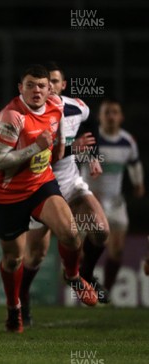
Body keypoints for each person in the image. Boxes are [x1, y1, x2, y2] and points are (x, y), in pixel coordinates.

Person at [0, 64, 98, 333]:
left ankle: (72, 276)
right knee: (14, 259)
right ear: (20, 88)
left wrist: (61, 144)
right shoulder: (12, 116)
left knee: (72, 234)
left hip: (42, 185)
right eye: (29, 85)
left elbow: (58, 129)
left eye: (41, 85)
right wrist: (35, 148)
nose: (36, 90)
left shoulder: (55, 106)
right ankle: (13, 307)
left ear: (50, 88)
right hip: (9, 194)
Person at [19, 63, 110, 326]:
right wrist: (74, 149)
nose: (49, 88)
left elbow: (91, 122)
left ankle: (84, 274)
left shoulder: (75, 108)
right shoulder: (26, 116)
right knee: (35, 255)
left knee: (101, 230)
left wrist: (92, 155)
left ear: (61, 85)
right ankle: (22, 298)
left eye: (54, 82)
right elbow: (33, 157)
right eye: (42, 84)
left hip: (69, 184)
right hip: (38, 188)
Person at [81, 98, 144, 292]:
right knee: (90, 246)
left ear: (121, 117)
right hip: (91, 201)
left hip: (115, 202)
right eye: (106, 112)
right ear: (99, 117)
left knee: (116, 250)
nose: (110, 116)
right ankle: (79, 281)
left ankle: (105, 292)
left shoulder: (127, 141)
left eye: (114, 112)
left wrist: (138, 183)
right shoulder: (90, 139)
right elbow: (72, 164)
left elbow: (134, 163)